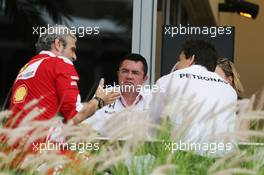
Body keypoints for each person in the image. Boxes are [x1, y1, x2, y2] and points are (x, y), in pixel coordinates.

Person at [6, 25, 120, 129]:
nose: (75, 57)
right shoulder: (60, 63)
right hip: (40, 146)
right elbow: (75, 115)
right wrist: (99, 101)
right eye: (73, 49)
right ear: (58, 44)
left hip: (12, 146)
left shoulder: (26, 67)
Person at [151, 40, 237, 154]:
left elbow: (153, 123)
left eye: (180, 60)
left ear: (191, 59)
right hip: (222, 160)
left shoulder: (166, 81)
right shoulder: (230, 90)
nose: (177, 65)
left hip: (182, 157)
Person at [83, 53, 152, 135]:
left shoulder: (153, 99)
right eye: (125, 71)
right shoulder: (104, 95)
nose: (129, 76)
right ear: (118, 74)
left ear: (145, 78)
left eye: (135, 73)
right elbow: (87, 128)